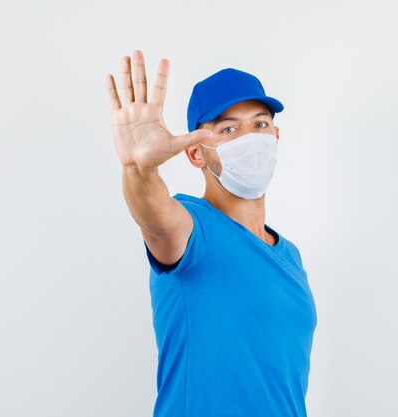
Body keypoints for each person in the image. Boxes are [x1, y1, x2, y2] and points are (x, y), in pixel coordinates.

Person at [105, 50, 318, 417]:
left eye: (260, 124)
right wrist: (138, 169)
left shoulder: (290, 255)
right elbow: (155, 217)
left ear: (276, 134)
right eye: (228, 129)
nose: (249, 139)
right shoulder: (193, 229)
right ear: (195, 154)